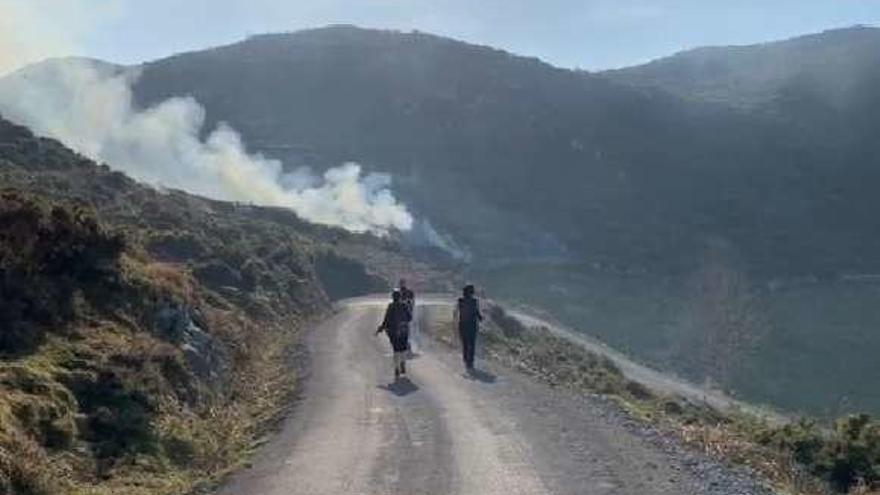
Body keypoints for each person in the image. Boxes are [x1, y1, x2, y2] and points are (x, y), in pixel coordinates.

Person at [377, 289, 412, 379]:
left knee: (396, 350)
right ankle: (402, 364)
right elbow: (409, 318)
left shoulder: (391, 306)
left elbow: (386, 320)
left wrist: (381, 328)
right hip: (404, 331)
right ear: (400, 297)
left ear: (393, 298)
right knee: (403, 349)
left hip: (393, 332)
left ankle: (397, 368)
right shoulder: (404, 305)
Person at [454, 284, 483, 371]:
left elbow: (456, 313)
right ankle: (470, 361)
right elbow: (476, 312)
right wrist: (480, 318)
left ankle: (466, 360)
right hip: (471, 325)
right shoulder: (474, 301)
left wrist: (455, 322)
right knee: (471, 344)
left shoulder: (460, 301)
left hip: (463, 324)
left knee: (465, 344)